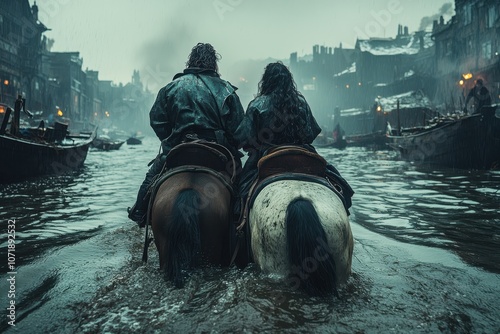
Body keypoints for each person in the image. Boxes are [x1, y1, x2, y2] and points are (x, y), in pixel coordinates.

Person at [128, 43, 245, 227]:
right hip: (217, 152)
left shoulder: (170, 88)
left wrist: (172, 138)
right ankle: (241, 216)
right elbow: (239, 130)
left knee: (152, 175)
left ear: (191, 60)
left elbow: (156, 120)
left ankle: (140, 212)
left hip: (180, 148)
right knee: (242, 180)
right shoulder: (227, 90)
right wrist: (229, 142)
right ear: (214, 63)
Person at [234, 61, 354, 218]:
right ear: (288, 80)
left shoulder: (257, 104)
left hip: (266, 158)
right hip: (302, 157)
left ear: (267, 81)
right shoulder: (301, 103)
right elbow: (311, 133)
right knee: (337, 183)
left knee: (239, 194)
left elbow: (243, 140)